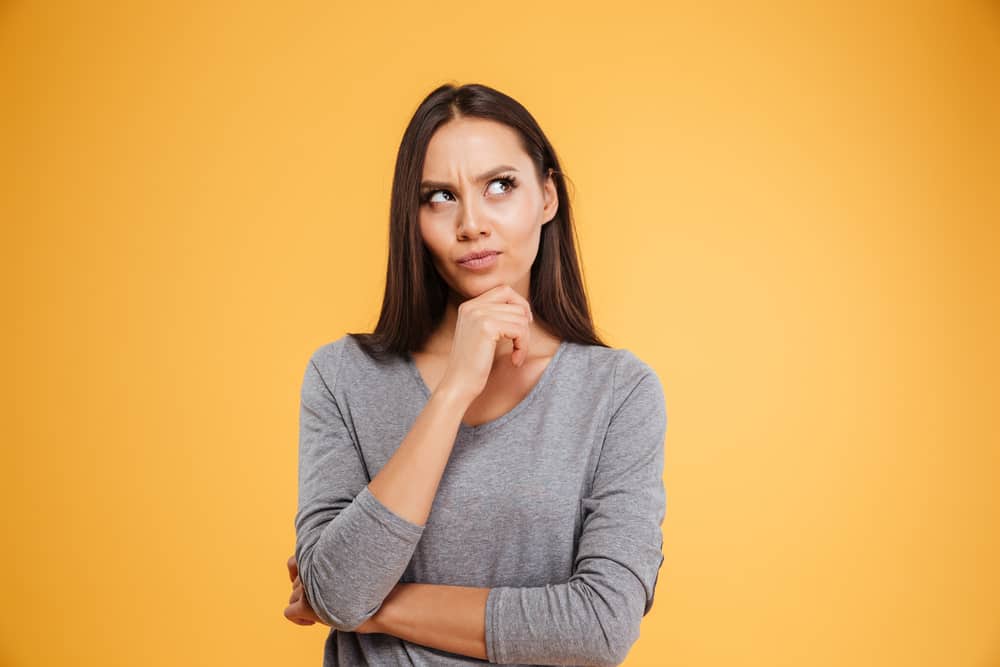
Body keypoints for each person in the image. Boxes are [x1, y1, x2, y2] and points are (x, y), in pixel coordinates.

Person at [283, 82, 667, 666]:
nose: (471, 224)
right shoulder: (343, 377)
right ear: (412, 218)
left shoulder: (618, 393)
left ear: (546, 197)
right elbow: (337, 590)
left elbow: (599, 627)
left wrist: (376, 608)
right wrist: (455, 389)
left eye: (499, 186)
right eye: (439, 196)